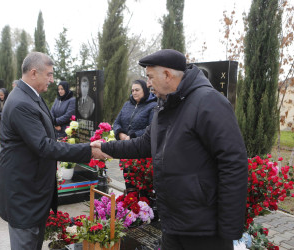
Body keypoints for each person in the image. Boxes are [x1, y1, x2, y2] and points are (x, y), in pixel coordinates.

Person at [92, 49, 248, 250]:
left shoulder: (208, 101)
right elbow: (144, 143)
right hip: (173, 222)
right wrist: (105, 147)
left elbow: (233, 163)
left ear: (167, 74)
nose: (147, 83)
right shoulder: (166, 104)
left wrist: (229, 228)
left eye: (150, 77)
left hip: (204, 228)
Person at [0, 52, 108, 250]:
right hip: (24, 195)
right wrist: (88, 150)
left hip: (34, 190)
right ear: (33, 73)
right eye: (48, 74)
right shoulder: (21, 103)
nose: (52, 79)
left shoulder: (31, 96)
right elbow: (44, 145)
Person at [113, 79, 157, 189]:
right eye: (132, 90)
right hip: (125, 150)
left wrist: (132, 136)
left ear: (145, 90)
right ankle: (129, 204)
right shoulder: (127, 104)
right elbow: (116, 122)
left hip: (141, 153)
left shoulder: (153, 106)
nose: (134, 93)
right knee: (128, 183)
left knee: (142, 187)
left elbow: (152, 128)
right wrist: (120, 133)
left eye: (137, 90)